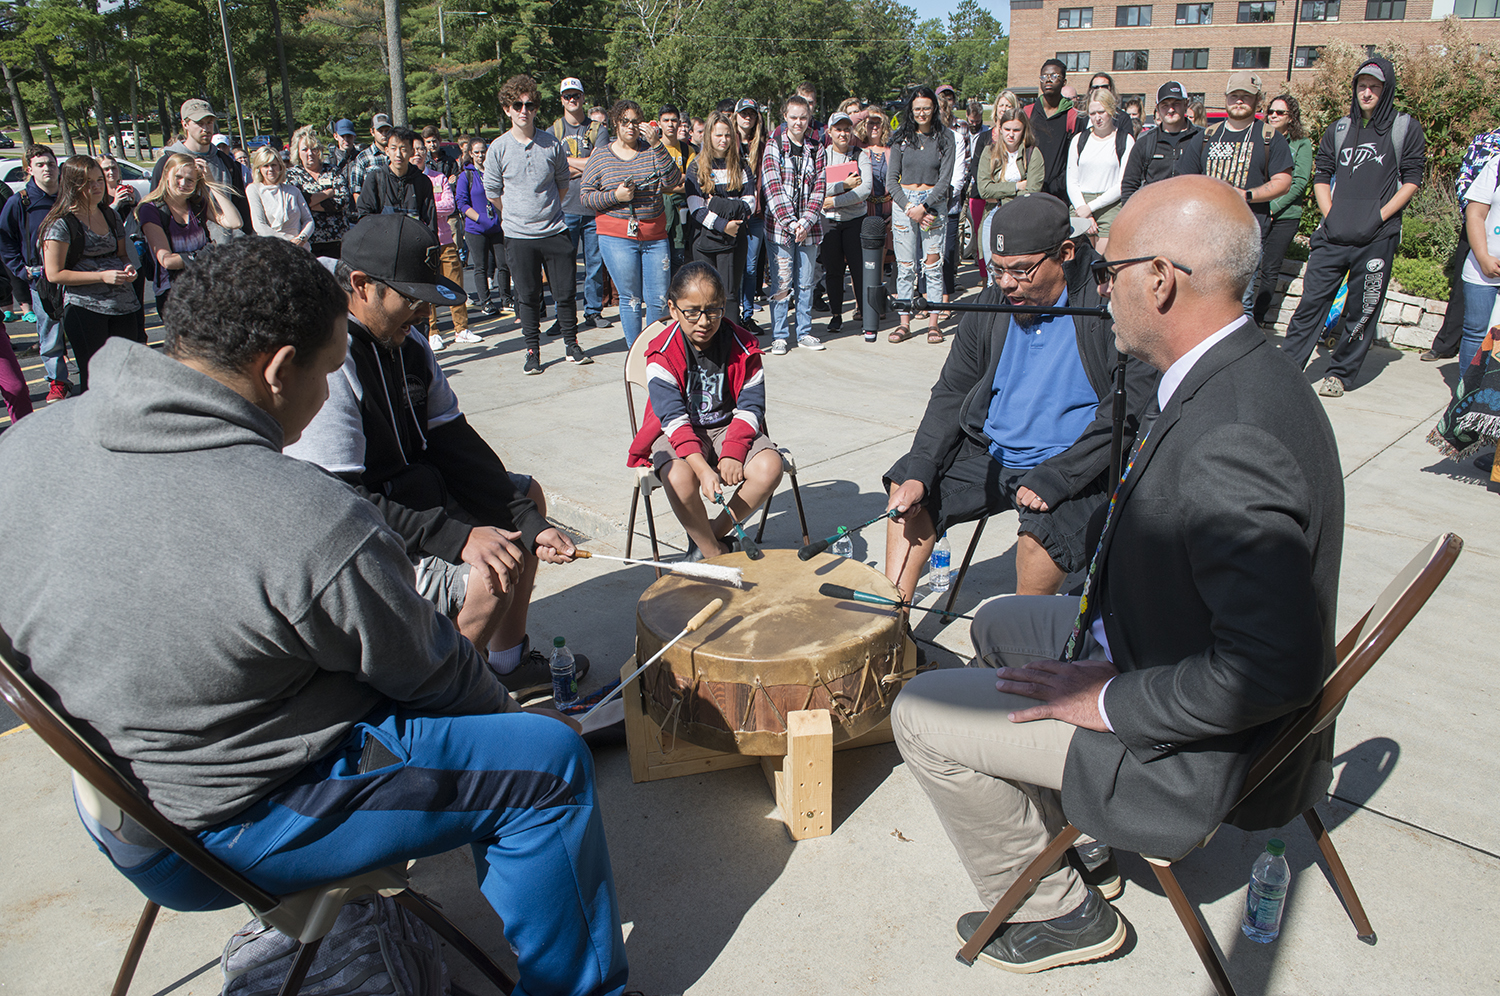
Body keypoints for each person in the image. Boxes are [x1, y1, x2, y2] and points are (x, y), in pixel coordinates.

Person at [0, 236, 630, 996]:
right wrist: (516, 717)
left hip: (115, 808)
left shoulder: (23, 447)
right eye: (330, 373)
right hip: (223, 831)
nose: (330, 393)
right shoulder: (306, 516)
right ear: (277, 370)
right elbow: (442, 685)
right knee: (546, 764)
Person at [894, 174, 1344, 975]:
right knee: (999, 621)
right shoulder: (1239, 372)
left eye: (1110, 273)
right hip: (1155, 639)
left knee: (919, 714)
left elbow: (1273, 668)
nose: (1100, 291)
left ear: (1161, 280)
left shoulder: (1230, 434)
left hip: (1192, 749)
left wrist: (1101, 697)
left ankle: (1059, 912)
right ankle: (1077, 841)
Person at [285, 212, 588, 682]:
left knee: (526, 500)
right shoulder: (331, 361)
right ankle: (446, 693)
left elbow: (454, 442)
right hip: (363, 532)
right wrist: (460, 537)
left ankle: (506, 662)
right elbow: (339, 504)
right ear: (362, 285)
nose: (425, 313)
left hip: (418, 501)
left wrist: (529, 523)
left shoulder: (409, 345)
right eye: (411, 298)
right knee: (491, 572)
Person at [882, 194, 1155, 604]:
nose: (1007, 283)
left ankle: (1020, 649)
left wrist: (1061, 474)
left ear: (1065, 253)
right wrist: (921, 469)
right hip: (991, 453)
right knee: (908, 493)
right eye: (997, 270)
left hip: (1077, 464)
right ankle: (892, 631)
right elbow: (951, 392)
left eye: (1021, 271)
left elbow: (1129, 407)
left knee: (1039, 538)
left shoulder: (1108, 302)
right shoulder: (993, 301)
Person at [1279, 57, 1425, 398]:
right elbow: (1322, 174)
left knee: (1362, 309)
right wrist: (1330, 214)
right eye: (1362, 85)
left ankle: (1340, 374)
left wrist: (1379, 216)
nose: (1367, 92)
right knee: (1311, 303)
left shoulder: (1404, 128)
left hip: (1377, 237)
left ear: (1385, 90)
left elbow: (1413, 179)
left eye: (1374, 86)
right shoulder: (1340, 129)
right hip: (1333, 234)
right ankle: (1288, 368)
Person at [626, 262, 784, 558]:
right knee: (678, 476)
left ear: (724, 306)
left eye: (713, 310)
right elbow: (671, 418)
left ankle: (709, 535)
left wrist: (734, 451)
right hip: (679, 430)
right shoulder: (661, 352)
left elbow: (751, 406)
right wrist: (701, 468)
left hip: (729, 426)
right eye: (692, 311)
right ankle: (714, 554)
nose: (704, 321)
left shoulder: (744, 344)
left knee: (770, 467)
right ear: (673, 309)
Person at [487, 75, 589, 371]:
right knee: (528, 296)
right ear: (507, 108)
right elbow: (493, 192)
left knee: (565, 292)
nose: (523, 110)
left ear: (536, 108)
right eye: (517, 105)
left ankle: (572, 343)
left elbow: (562, 184)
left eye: (529, 104)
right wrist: (516, 215)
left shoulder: (551, 144)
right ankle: (533, 350)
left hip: (554, 230)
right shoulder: (498, 148)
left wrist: (544, 211)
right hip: (518, 235)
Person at [1178, 72, 1293, 314]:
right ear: (1226, 99)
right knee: (1201, 299)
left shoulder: (1269, 137)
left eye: (1245, 97)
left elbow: (1283, 181)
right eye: (1234, 96)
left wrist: (1246, 195)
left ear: (1257, 100)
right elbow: (1185, 180)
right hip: (1205, 234)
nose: (1239, 101)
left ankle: (1241, 351)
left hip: (1247, 234)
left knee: (1241, 303)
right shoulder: (1206, 136)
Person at [38, 155, 143, 393]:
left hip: (124, 305)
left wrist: (128, 268)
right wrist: (101, 276)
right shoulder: (60, 223)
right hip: (84, 308)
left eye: (99, 180)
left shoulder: (110, 214)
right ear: (73, 185)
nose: (97, 186)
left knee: (127, 373)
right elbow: (54, 274)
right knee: (95, 378)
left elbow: (122, 254)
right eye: (88, 182)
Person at [581, 99, 679, 349]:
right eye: (625, 122)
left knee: (658, 299)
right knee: (631, 298)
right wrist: (616, 196)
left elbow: (674, 179)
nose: (631, 127)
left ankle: (657, 351)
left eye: (636, 122)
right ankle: (636, 352)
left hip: (655, 235)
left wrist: (658, 144)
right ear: (615, 123)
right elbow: (585, 196)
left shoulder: (652, 150)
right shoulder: (601, 156)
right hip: (616, 236)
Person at [0, 144, 72, 400]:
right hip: (41, 278)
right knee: (50, 332)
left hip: (74, 273)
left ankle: (91, 378)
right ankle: (58, 382)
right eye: (40, 165)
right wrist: (21, 270)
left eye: (51, 164)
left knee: (82, 328)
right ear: (29, 169)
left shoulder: (69, 197)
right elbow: (5, 239)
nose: (47, 169)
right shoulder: (20, 202)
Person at [1422, 125, 1500, 362]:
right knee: (1472, 323)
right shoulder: (1487, 143)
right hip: (1479, 237)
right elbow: (1467, 184)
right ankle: (1464, 388)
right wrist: (1482, 248)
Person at [137, 152, 244, 321]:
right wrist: (206, 253)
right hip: (173, 293)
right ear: (166, 175)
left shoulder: (197, 204)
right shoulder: (151, 210)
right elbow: (167, 260)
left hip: (205, 287)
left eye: (190, 180)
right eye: (178, 177)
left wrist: (212, 182)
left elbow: (235, 221)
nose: (183, 183)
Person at [887, 86, 955, 345]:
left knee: (933, 268)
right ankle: (904, 322)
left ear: (934, 108)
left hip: (933, 206)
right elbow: (892, 181)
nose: (922, 113)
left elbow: (944, 180)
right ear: (910, 110)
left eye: (927, 108)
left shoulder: (945, 138)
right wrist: (910, 209)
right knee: (905, 268)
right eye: (917, 109)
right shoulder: (901, 138)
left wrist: (924, 207)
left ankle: (934, 323)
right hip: (905, 206)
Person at [760, 94, 826, 356]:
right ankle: (779, 335)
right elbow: (772, 187)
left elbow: (820, 187)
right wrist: (791, 223)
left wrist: (807, 222)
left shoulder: (816, 147)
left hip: (808, 230)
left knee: (806, 282)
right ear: (785, 117)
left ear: (809, 118)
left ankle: (805, 331)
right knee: (782, 283)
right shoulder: (773, 146)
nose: (798, 123)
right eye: (794, 117)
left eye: (803, 118)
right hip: (780, 229)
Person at [552, 77, 611, 329]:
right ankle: (563, 316)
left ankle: (593, 311)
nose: (572, 99)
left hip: (592, 205)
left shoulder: (598, 129)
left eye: (576, 95)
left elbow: (599, 164)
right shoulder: (553, 130)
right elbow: (555, 167)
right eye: (567, 96)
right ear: (562, 99)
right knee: (562, 267)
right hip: (564, 207)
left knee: (594, 264)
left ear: (583, 98)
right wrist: (583, 164)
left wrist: (569, 163)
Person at [685, 110, 755, 312]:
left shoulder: (741, 166)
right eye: (718, 135)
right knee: (706, 294)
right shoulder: (696, 167)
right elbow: (696, 209)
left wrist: (714, 203)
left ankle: (730, 340)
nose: (723, 140)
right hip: (706, 240)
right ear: (709, 136)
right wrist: (724, 225)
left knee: (730, 294)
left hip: (736, 237)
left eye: (727, 135)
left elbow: (749, 204)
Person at [1253, 94, 1313, 328]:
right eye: (1271, 112)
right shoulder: (1262, 139)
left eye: (1280, 113)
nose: (1274, 116)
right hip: (1258, 210)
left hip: (1284, 216)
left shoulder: (1301, 144)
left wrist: (1273, 207)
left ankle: (1258, 319)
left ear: (1291, 118)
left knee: (1269, 269)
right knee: (1249, 264)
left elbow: (1298, 182)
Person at [149, 99, 251, 234]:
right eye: (199, 123)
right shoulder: (168, 161)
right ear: (185, 124)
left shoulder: (226, 162)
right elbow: (156, 206)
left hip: (226, 246)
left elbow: (241, 209)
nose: (206, 128)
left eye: (209, 122)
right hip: (183, 245)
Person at [413, 143, 477, 349]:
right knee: (427, 288)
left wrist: (428, 205)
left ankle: (462, 328)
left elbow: (449, 206)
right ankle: (432, 331)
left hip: (445, 240)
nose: (418, 154)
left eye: (421, 150)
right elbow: (413, 209)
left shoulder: (438, 177)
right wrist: (432, 205)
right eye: (413, 150)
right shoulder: (410, 182)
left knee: (454, 284)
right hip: (421, 242)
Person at [974, 108, 1046, 280]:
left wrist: (998, 191)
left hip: (1021, 217)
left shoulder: (1032, 154)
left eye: (1016, 130)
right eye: (1007, 129)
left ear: (1024, 131)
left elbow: (1033, 192)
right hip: (993, 214)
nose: (1011, 134)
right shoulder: (989, 152)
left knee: (1016, 273)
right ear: (1000, 129)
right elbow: (984, 190)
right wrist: (1017, 186)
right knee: (994, 274)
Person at [819, 111, 872, 339]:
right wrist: (843, 185)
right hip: (829, 222)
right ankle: (836, 315)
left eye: (846, 129)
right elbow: (817, 186)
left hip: (854, 221)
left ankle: (865, 314)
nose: (843, 133)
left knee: (859, 270)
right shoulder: (821, 156)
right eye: (838, 129)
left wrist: (833, 200)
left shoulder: (860, 155)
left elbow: (865, 189)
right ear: (829, 132)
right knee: (833, 271)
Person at [1066, 89, 1134, 254]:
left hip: (1110, 205)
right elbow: (1071, 181)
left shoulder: (1125, 140)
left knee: (1102, 263)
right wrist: (1083, 210)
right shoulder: (1079, 140)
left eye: (1102, 112)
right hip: (1080, 203)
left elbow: (1122, 184)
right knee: (1077, 262)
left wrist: (1091, 207)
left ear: (1111, 111)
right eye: (1093, 113)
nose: (1097, 117)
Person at [1120, 81, 1202, 204]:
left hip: (1191, 214)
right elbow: (1129, 185)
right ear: (1157, 107)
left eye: (1176, 103)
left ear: (1186, 104)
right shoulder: (1145, 142)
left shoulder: (1202, 139)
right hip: (1154, 214)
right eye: (1165, 105)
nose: (1171, 109)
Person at [1455, 151, 1500, 373]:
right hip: (1483, 270)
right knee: (1476, 333)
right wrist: (1483, 257)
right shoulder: (1497, 164)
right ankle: (1467, 397)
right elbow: (1475, 214)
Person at [457, 137, 511, 316]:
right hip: (476, 229)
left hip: (497, 227)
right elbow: (462, 204)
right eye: (477, 152)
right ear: (470, 154)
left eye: (483, 152)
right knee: (481, 266)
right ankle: (486, 302)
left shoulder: (494, 172)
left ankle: (506, 298)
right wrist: (479, 218)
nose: (481, 155)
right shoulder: (466, 175)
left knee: (503, 264)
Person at [286, 125, 352, 258]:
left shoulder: (333, 170)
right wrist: (329, 193)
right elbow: (297, 204)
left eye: (314, 149)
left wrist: (310, 203)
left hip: (337, 239)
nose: (310, 153)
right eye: (304, 149)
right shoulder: (292, 175)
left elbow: (343, 201)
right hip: (308, 241)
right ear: (297, 152)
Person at [356, 127, 437, 233]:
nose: (398, 154)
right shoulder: (375, 179)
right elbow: (364, 218)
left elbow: (431, 222)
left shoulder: (422, 182)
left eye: (403, 149)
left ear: (411, 151)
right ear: (387, 151)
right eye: (394, 148)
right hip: (382, 243)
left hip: (413, 242)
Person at [736, 98, 769, 334]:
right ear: (735, 116)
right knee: (731, 268)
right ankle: (730, 314)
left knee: (750, 268)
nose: (747, 117)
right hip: (731, 213)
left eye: (751, 114)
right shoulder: (726, 141)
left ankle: (747, 315)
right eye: (743, 113)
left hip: (755, 214)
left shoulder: (764, 145)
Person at [1027, 61, 1079, 202]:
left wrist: (1059, 184)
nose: (1048, 80)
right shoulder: (1028, 113)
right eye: (1044, 76)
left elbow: (1075, 158)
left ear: (1064, 82)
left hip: (1059, 194)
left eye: (1054, 76)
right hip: (1029, 190)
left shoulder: (1073, 116)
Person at [247, 146, 314, 249]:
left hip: (299, 248)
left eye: (274, 165)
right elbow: (259, 225)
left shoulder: (293, 191)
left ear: (280, 166)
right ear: (259, 168)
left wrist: (302, 238)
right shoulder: (254, 189)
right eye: (266, 165)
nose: (270, 169)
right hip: (272, 248)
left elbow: (308, 220)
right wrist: (287, 242)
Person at [657, 104, 692, 275]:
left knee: (679, 257)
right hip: (657, 213)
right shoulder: (652, 149)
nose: (670, 124)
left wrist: (666, 184)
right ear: (659, 123)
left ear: (679, 123)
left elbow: (693, 182)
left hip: (681, 212)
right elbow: (653, 184)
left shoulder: (687, 150)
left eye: (674, 120)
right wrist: (679, 177)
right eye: (666, 120)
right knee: (660, 259)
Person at [347, 113, 394, 201]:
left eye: (387, 130)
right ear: (372, 132)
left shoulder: (397, 155)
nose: (384, 134)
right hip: (373, 208)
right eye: (380, 131)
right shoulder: (363, 157)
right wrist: (363, 211)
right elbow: (356, 188)